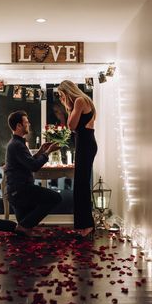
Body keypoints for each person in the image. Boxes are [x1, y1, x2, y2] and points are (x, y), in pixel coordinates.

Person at [0, 110, 62, 237]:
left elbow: (28, 161)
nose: (29, 124)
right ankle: (22, 225)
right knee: (56, 198)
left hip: (16, 191)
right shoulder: (16, 145)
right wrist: (48, 152)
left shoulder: (18, 143)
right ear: (18, 126)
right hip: (21, 191)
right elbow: (34, 166)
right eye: (26, 123)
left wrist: (40, 151)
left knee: (21, 229)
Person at [57, 80, 97, 238]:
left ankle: (87, 225)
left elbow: (71, 125)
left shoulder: (80, 101)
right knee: (80, 185)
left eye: (62, 95)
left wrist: (68, 106)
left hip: (86, 145)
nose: (62, 98)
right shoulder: (83, 101)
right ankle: (84, 225)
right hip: (85, 145)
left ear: (67, 92)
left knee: (81, 185)